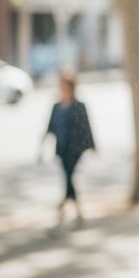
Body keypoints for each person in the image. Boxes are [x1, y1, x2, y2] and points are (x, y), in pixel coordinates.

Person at [39, 68, 95, 227]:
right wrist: (42, 147)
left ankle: (68, 204)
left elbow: (87, 127)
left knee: (69, 175)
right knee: (68, 177)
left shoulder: (79, 106)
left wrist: (92, 146)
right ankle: (71, 204)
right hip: (62, 148)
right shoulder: (56, 106)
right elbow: (50, 127)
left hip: (75, 149)